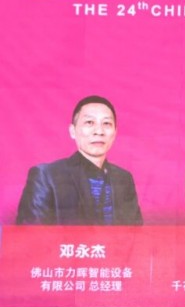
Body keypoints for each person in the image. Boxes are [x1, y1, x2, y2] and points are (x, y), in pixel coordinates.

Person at [17, 95, 142, 225]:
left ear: (115, 132)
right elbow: (30, 234)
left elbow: (136, 232)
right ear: (73, 131)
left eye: (106, 124)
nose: (99, 131)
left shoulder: (123, 178)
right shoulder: (46, 176)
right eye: (89, 122)